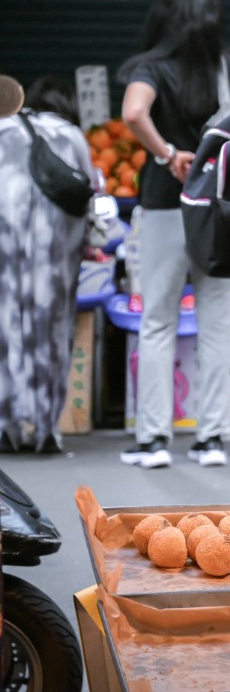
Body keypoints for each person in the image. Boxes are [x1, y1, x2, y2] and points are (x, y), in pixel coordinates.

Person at [118, 0, 230, 469]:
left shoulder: (151, 68)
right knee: (217, 320)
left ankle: (153, 441)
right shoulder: (228, 67)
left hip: (165, 207)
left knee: (157, 320)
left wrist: (167, 152)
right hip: (214, 210)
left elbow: (133, 112)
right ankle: (212, 438)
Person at [0, 75, 94, 453]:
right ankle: (44, 430)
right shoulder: (69, 134)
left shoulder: (4, 129)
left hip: (4, 250)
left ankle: (6, 425)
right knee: (51, 331)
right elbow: (88, 193)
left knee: (5, 330)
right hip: (53, 254)